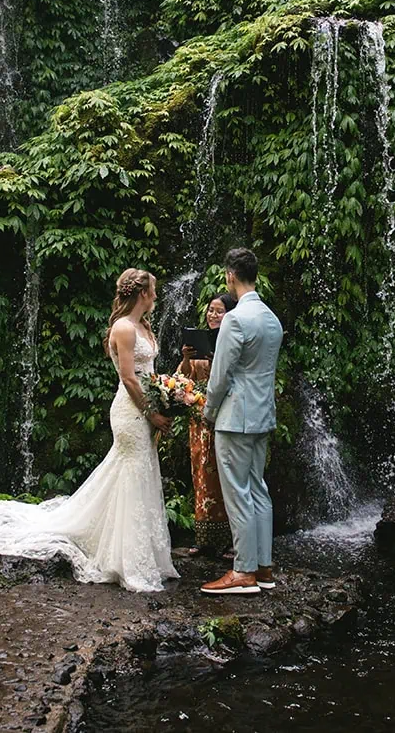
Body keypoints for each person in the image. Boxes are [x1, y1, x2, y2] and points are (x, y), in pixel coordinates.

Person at [0, 268, 178, 592]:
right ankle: (127, 560)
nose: (156, 296)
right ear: (142, 293)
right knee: (131, 474)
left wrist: (167, 396)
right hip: (130, 411)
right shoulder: (124, 327)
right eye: (153, 290)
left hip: (145, 407)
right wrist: (151, 412)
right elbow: (129, 378)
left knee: (139, 475)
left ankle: (140, 554)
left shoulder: (143, 326)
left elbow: (149, 373)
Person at [200, 248, 284, 595]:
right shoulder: (271, 319)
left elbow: (220, 375)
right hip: (263, 416)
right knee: (258, 489)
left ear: (230, 276)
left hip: (235, 418)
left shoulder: (235, 319)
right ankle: (264, 567)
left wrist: (208, 411)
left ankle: (243, 571)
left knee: (236, 492)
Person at [174, 292, 239, 558]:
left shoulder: (232, 341)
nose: (213, 315)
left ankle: (231, 540)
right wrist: (188, 357)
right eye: (210, 310)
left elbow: (230, 377)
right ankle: (204, 540)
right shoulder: (200, 343)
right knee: (200, 476)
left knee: (222, 477)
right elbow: (181, 377)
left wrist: (215, 359)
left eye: (219, 311)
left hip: (222, 416)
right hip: (198, 419)